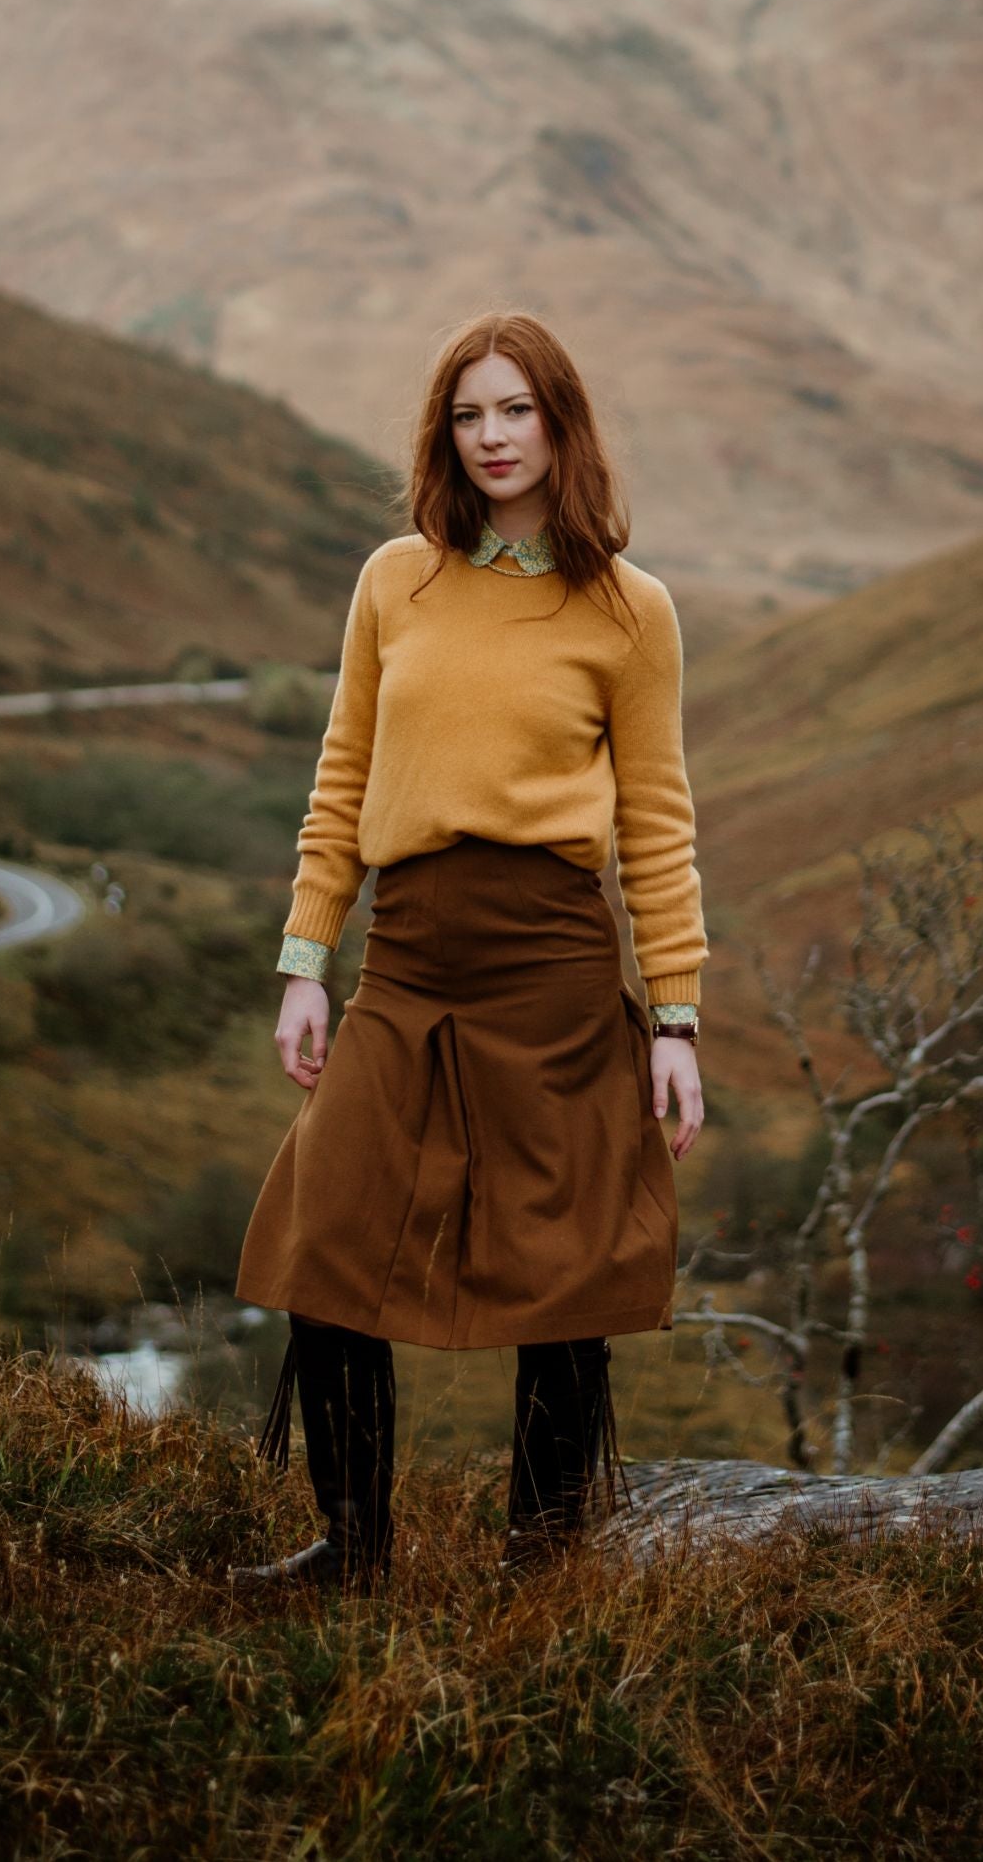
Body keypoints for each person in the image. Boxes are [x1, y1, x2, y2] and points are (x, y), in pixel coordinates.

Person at [230, 310, 707, 1592]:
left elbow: (657, 827)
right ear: (444, 433)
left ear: (562, 425)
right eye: (467, 413)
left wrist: (675, 1021)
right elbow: (342, 778)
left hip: (550, 965)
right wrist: (303, 961)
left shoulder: (627, 609)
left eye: (516, 410)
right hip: (408, 955)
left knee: (562, 1279)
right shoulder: (398, 579)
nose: (492, 437)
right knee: (324, 1247)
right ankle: (354, 1552)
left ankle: (538, 1571)